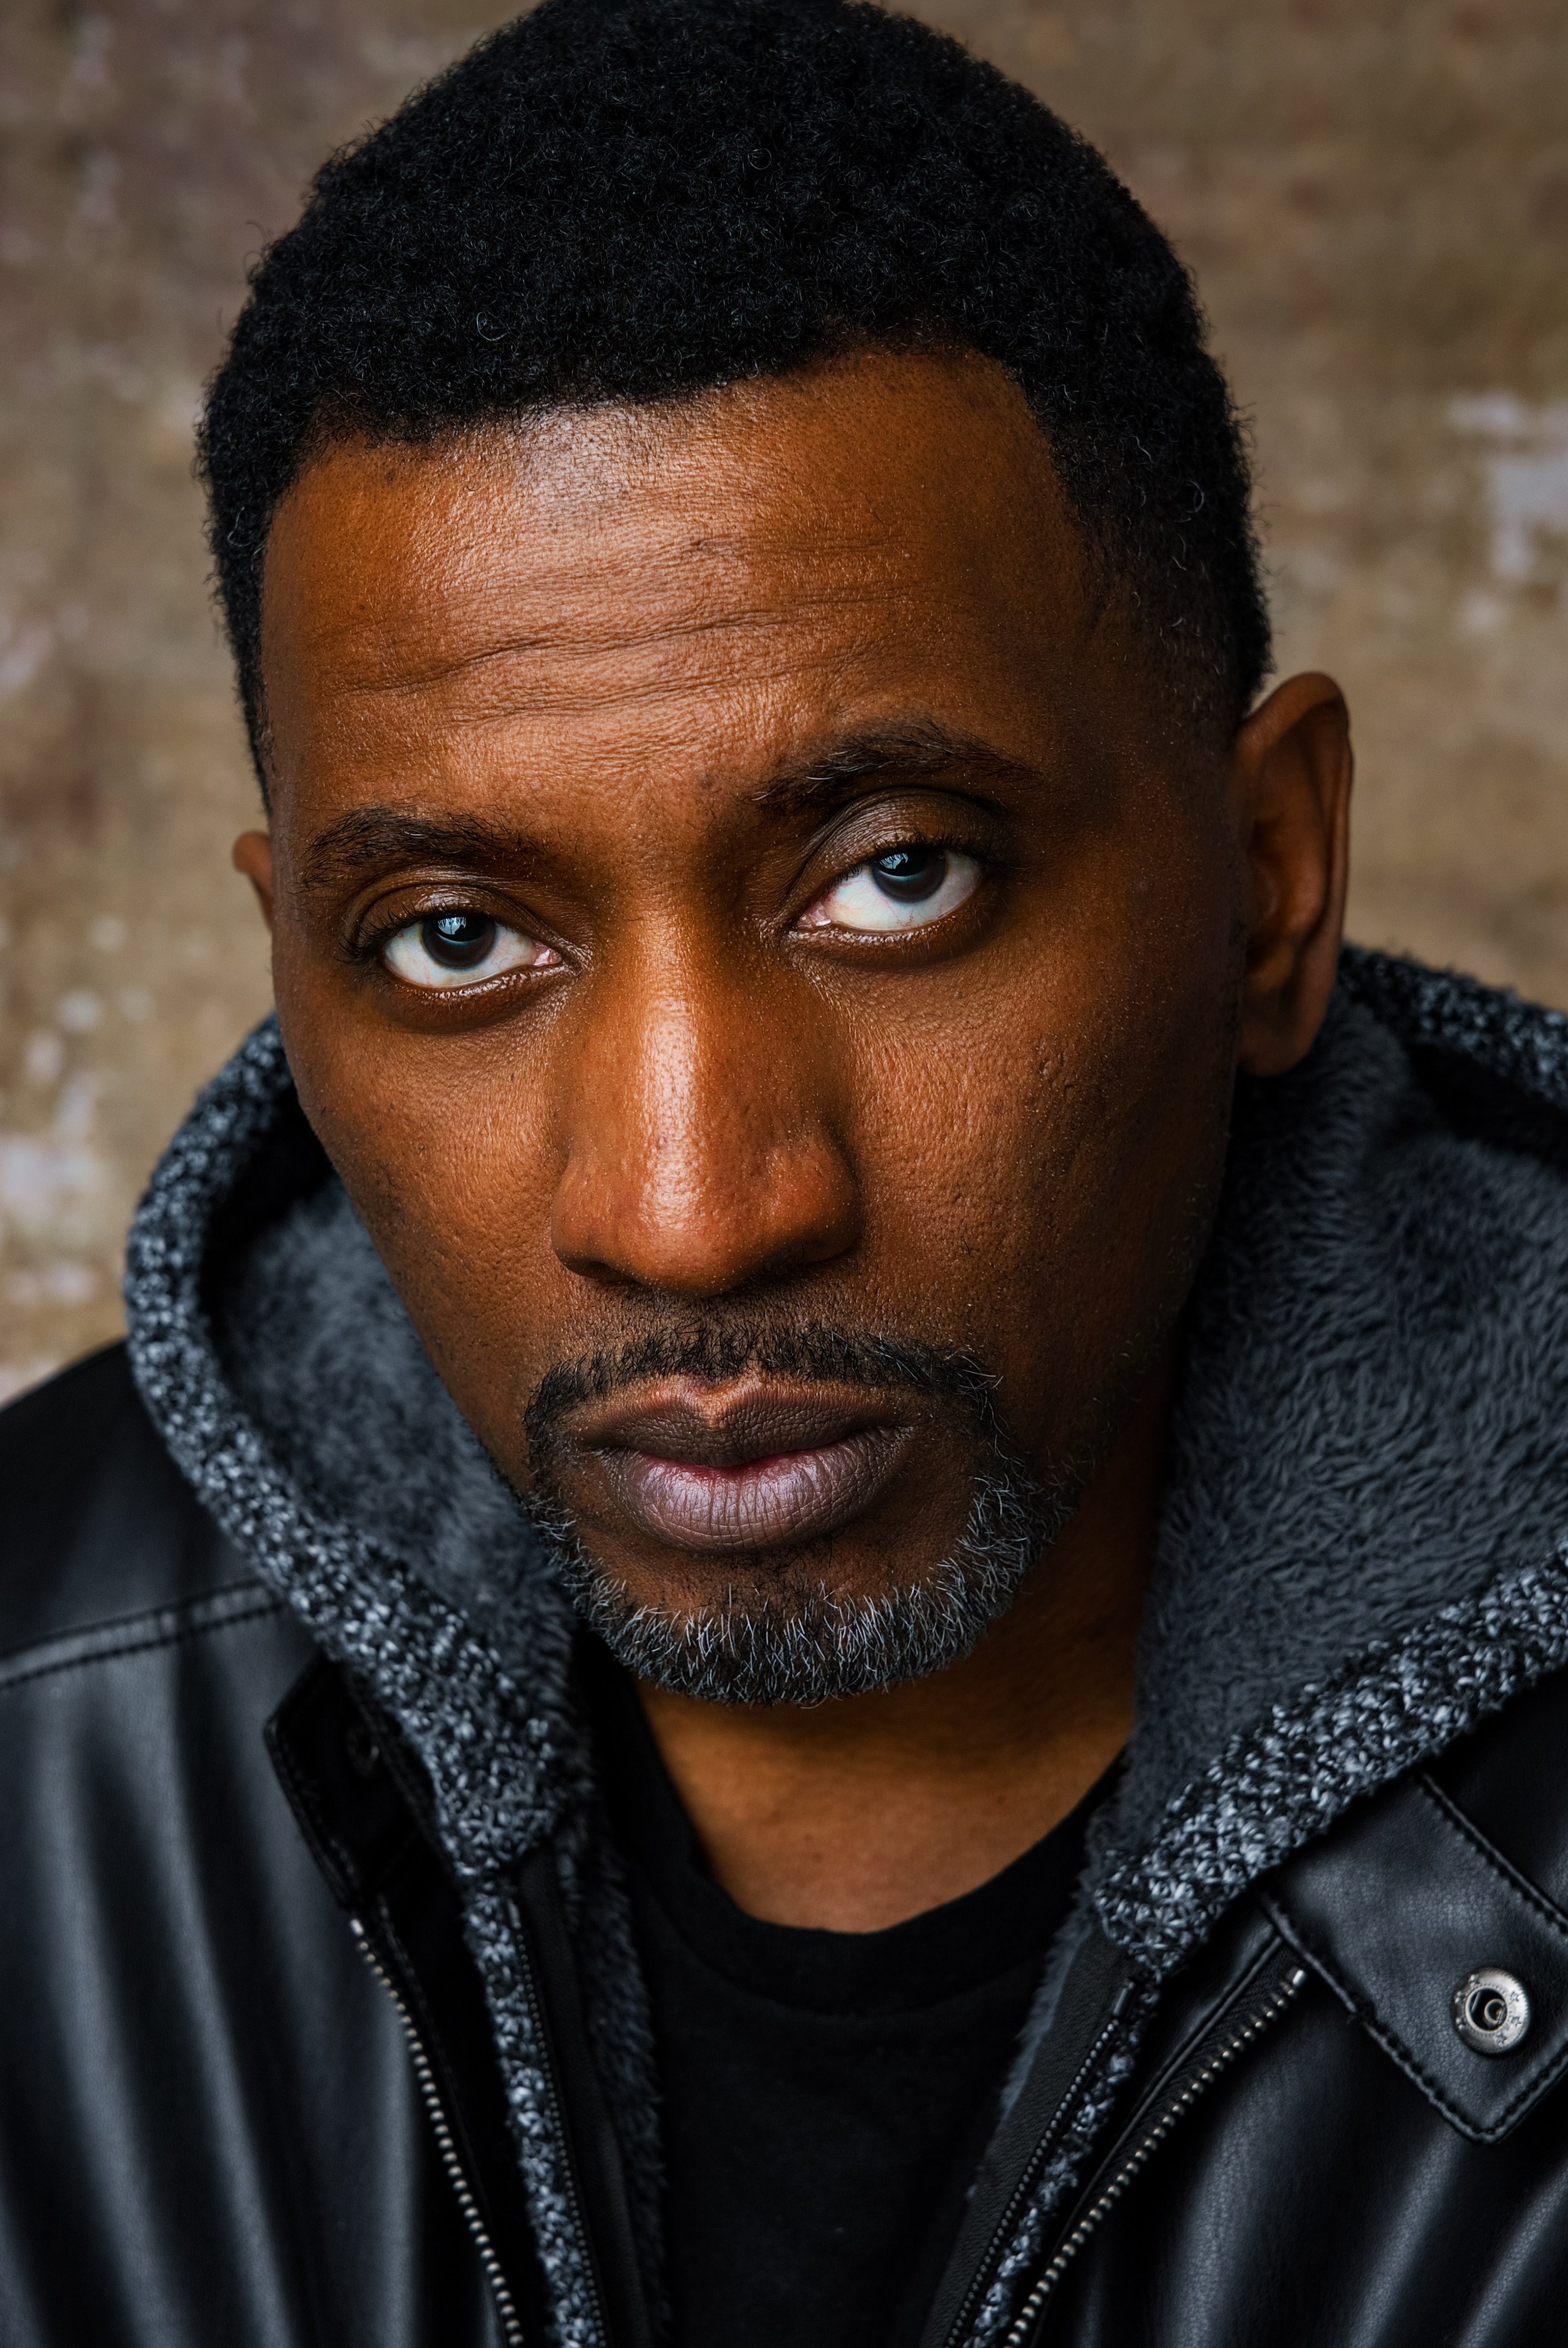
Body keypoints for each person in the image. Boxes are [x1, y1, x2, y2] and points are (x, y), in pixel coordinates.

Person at [6, 1, 1568, 2340]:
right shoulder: (33, 1730)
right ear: (288, 971)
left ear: (1266, 876)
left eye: (898, 880)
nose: (690, 1205)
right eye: (454, 939)